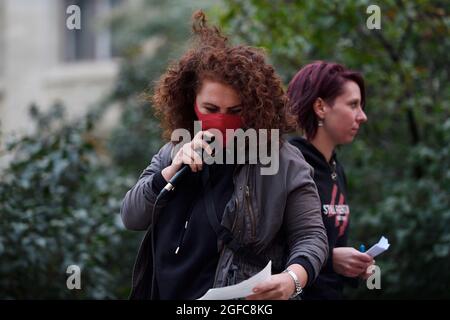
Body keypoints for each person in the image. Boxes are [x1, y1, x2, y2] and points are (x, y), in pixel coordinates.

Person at [120, 12, 328, 300]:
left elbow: (311, 237)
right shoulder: (174, 149)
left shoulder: (281, 161)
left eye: (234, 112)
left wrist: (292, 280)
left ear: (255, 109)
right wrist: (171, 169)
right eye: (210, 109)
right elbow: (131, 216)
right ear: (190, 102)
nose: (221, 120)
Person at [287, 61, 374, 299]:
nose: (362, 116)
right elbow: (263, 246)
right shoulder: (288, 164)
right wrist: (328, 259)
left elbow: (334, 246)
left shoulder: (335, 168)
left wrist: (353, 266)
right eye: (353, 105)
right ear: (320, 107)